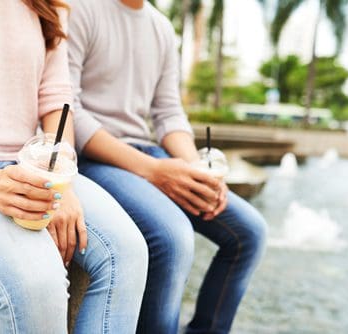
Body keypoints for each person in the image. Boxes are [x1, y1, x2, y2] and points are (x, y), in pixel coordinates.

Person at [0, 0, 148, 333]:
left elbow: (57, 98)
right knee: (38, 282)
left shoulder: (50, 4)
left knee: (129, 255)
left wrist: (60, 181)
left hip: (26, 163)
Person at [66, 0, 268, 333]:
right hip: (94, 158)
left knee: (249, 233)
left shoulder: (160, 27)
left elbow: (169, 113)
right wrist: (154, 171)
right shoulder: (80, 9)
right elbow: (69, 110)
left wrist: (196, 169)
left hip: (148, 151)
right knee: (173, 237)